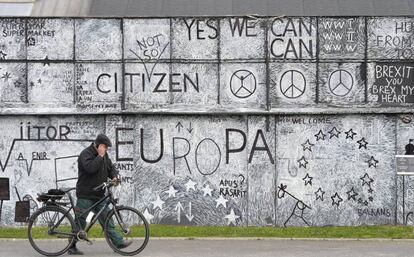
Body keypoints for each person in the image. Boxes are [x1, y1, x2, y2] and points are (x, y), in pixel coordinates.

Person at [68, 134, 131, 255]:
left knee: (107, 218)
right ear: (100, 145)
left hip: (99, 196)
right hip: (86, 195)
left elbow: (110, 168)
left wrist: (115, 176)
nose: (106, 150)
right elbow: (90, 169)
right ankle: (72, 246)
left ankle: (118, 243)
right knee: (81, 221)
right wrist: (100, 156)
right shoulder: (86, 154)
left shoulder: (104, 156)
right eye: (105, 147)